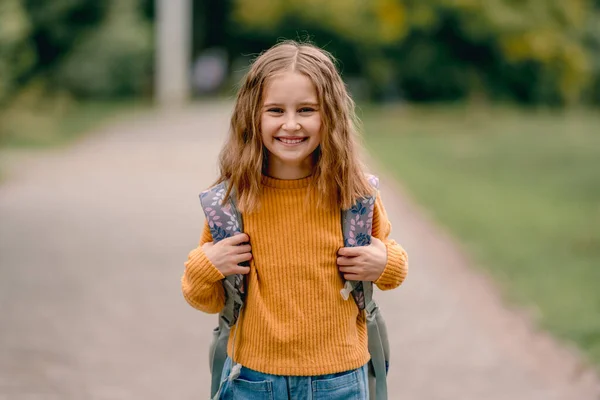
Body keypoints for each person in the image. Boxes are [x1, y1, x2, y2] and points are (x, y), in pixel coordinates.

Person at [181, 40, 408, 400]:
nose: (291, 124)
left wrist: (384, 262)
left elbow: (392, 265)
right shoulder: (232, 202)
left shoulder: (353, 195)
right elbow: (204, 298)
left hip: (340, 381)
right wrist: (206, 264)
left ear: (330, 115)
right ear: (252, 115)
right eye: (275, 110)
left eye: (306, 110)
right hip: (252, 380)